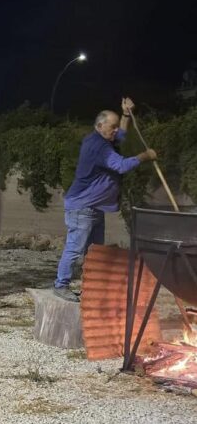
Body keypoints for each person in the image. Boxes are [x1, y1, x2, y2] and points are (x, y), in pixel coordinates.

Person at [53, 98, 157, 302]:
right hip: (82, 207)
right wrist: (145, 156)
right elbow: (121, 166)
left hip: (95, 208)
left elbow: (122, 137)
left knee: (95, 252)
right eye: (113, 127)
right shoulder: (98, 146)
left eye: (117, 127)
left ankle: (90, 289)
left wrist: (126, 115)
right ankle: (61, 285)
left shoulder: (103, 139)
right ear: (100, 126)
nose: (116, 131)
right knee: (75, 249)